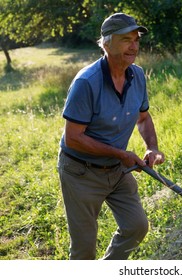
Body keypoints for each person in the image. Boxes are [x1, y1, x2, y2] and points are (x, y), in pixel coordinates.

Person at [57, 13, 165, 260]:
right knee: (84, 249)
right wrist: (121, 154)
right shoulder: (87, 82)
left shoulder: (136, 75)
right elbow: (73, 137)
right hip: (80, 172)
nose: (134, 46)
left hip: (117, 169)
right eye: (126, 39)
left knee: (136, 227)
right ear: (106, 44)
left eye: (136, 40)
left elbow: (143, 117)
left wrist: (153, 147)